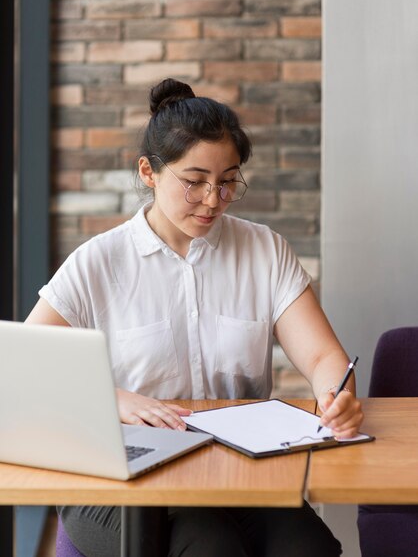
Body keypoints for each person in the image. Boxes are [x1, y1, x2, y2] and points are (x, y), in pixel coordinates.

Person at [27, 78, 363, 556]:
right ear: (149, 172)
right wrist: (111, 398)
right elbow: (23, 370)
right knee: (210, 547)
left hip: (240, 469)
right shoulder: (98, 262)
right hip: (121, 478)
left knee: (311, 549)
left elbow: (323, 354)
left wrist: (336, 392)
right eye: (195, 181)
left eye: (228, 180)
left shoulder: (264, 250)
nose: (214, 199)